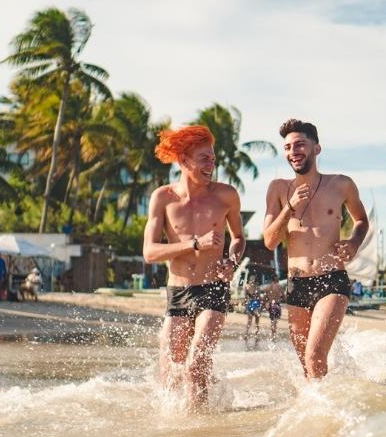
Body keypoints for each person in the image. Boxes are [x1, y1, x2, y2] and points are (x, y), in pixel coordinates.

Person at [143, 125, 245, 409]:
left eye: (213, 158)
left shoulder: (226, 196)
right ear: (184, 161)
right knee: (170, 375)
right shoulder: (163, 198)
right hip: (177, 291)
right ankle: (181, 432)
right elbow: (150, 253)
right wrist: (194, 244)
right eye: (204, 158)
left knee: (195, 365)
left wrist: (233, 262)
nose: (211, 164)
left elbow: (238, 238)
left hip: (213, 289)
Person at [262, 118, 369, 378]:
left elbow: (361, 221)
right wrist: (289, 207)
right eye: (287, 147)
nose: (293, 152)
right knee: (307, 369)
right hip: (297, 284)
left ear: (316, 149)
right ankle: (320, 414)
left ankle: (327, 416)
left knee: (314, 356)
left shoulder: (341, 184)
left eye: (299, 145)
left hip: (331, 279)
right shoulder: (278, 189)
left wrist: (353, 243)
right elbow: (270, 240)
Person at [244, 277, 263, 350]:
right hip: (256, 303)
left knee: (249, 321)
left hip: (250, 303)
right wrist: (261, 305)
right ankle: (256, 335)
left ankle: (246, 334)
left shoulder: (246, 287)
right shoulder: (257, 287)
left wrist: (246, 305)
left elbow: (245, 297)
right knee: (257, 322)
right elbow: (259, 297)